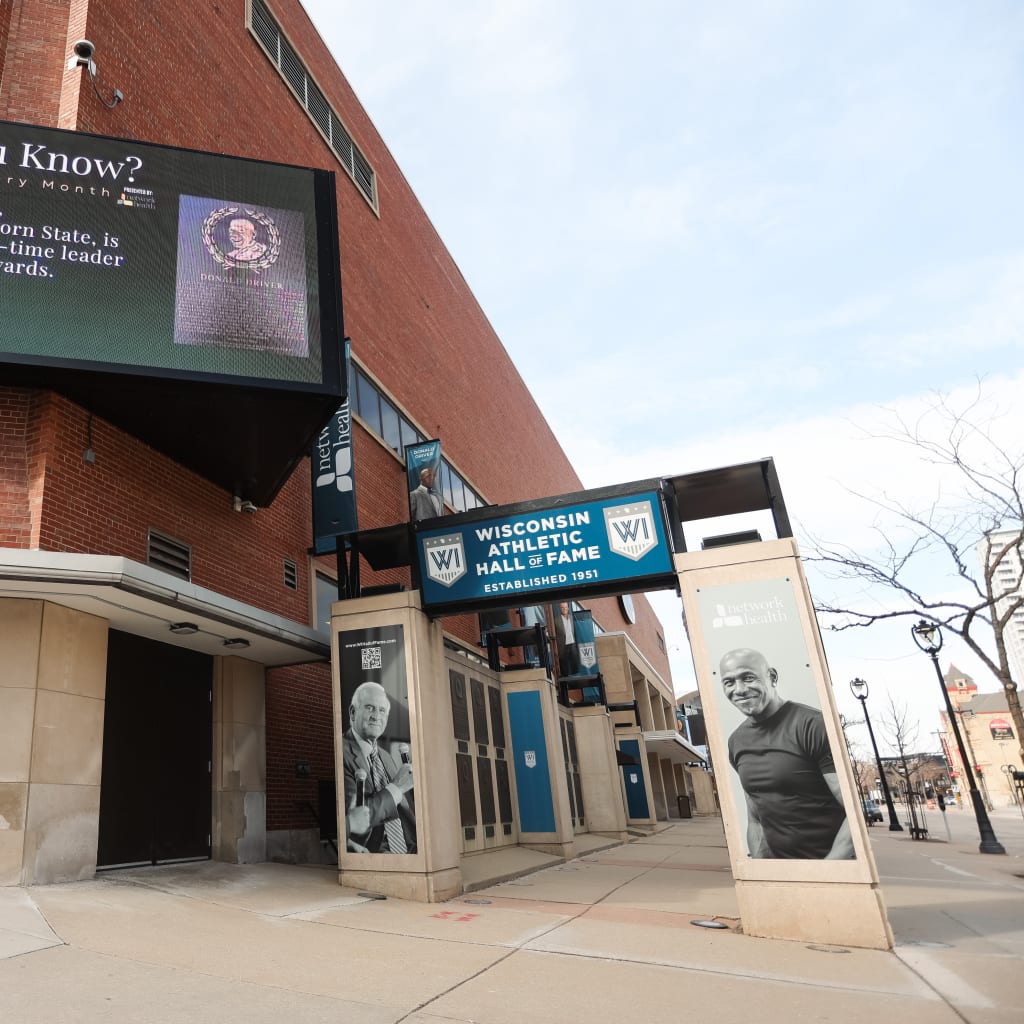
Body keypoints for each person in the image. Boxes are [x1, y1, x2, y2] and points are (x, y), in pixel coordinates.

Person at [719, 648, 853, 860]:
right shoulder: (736, 741)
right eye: (729, 682)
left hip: (831, 866)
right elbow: (755, 818)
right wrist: (763, 869)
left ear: (772, 677)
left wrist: (828, 869)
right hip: (782, 871)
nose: (740, 689)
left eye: (748, 678)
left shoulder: (814, 725)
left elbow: (853, 811)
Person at [342, 681, 416, 853]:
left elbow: (402, 810)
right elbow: (355, 817)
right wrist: (397, 788)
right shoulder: (342, 751)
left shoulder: (386, 757)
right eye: (370, 708)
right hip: (373, 851)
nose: (376, 716)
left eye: (382, 710)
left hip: (408, 847)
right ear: (353, 712)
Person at [553, 601, 579, 677]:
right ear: (560, 609)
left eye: (565, 607)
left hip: (572, 644)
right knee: (564, 667)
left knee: (575, 664)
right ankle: (566, 680)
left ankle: (576, 678)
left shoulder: (572, 618)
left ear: (568, 608)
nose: (564, 609)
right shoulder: (556, 620)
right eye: (562, 607)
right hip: (562, 646)